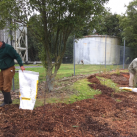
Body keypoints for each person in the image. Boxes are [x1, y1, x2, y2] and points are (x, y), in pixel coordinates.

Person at [0, 41, 25, 107]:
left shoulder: (8, 48)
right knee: (1, 85)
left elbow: (16, 55)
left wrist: (21, 65)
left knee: (6, 85)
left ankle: (6, 102)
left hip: (9, 68)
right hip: (2, 69)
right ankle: (9, 100)